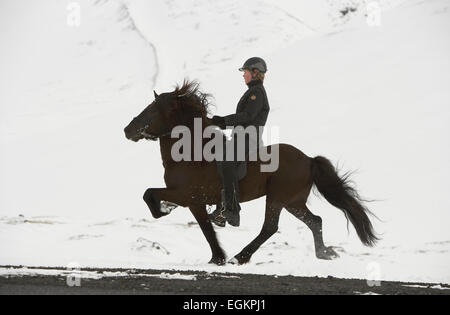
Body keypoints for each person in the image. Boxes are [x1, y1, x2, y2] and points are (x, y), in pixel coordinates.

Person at [209, 57, 270, 227]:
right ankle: (220, 209)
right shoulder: (253, 91)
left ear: (255, 73)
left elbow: (247, 116)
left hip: (248, 138)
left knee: (228, 163)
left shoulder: (256, 93)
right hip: (240, 136)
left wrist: (222, 121)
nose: (243, 75)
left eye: (245, 72)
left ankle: (231, 211)